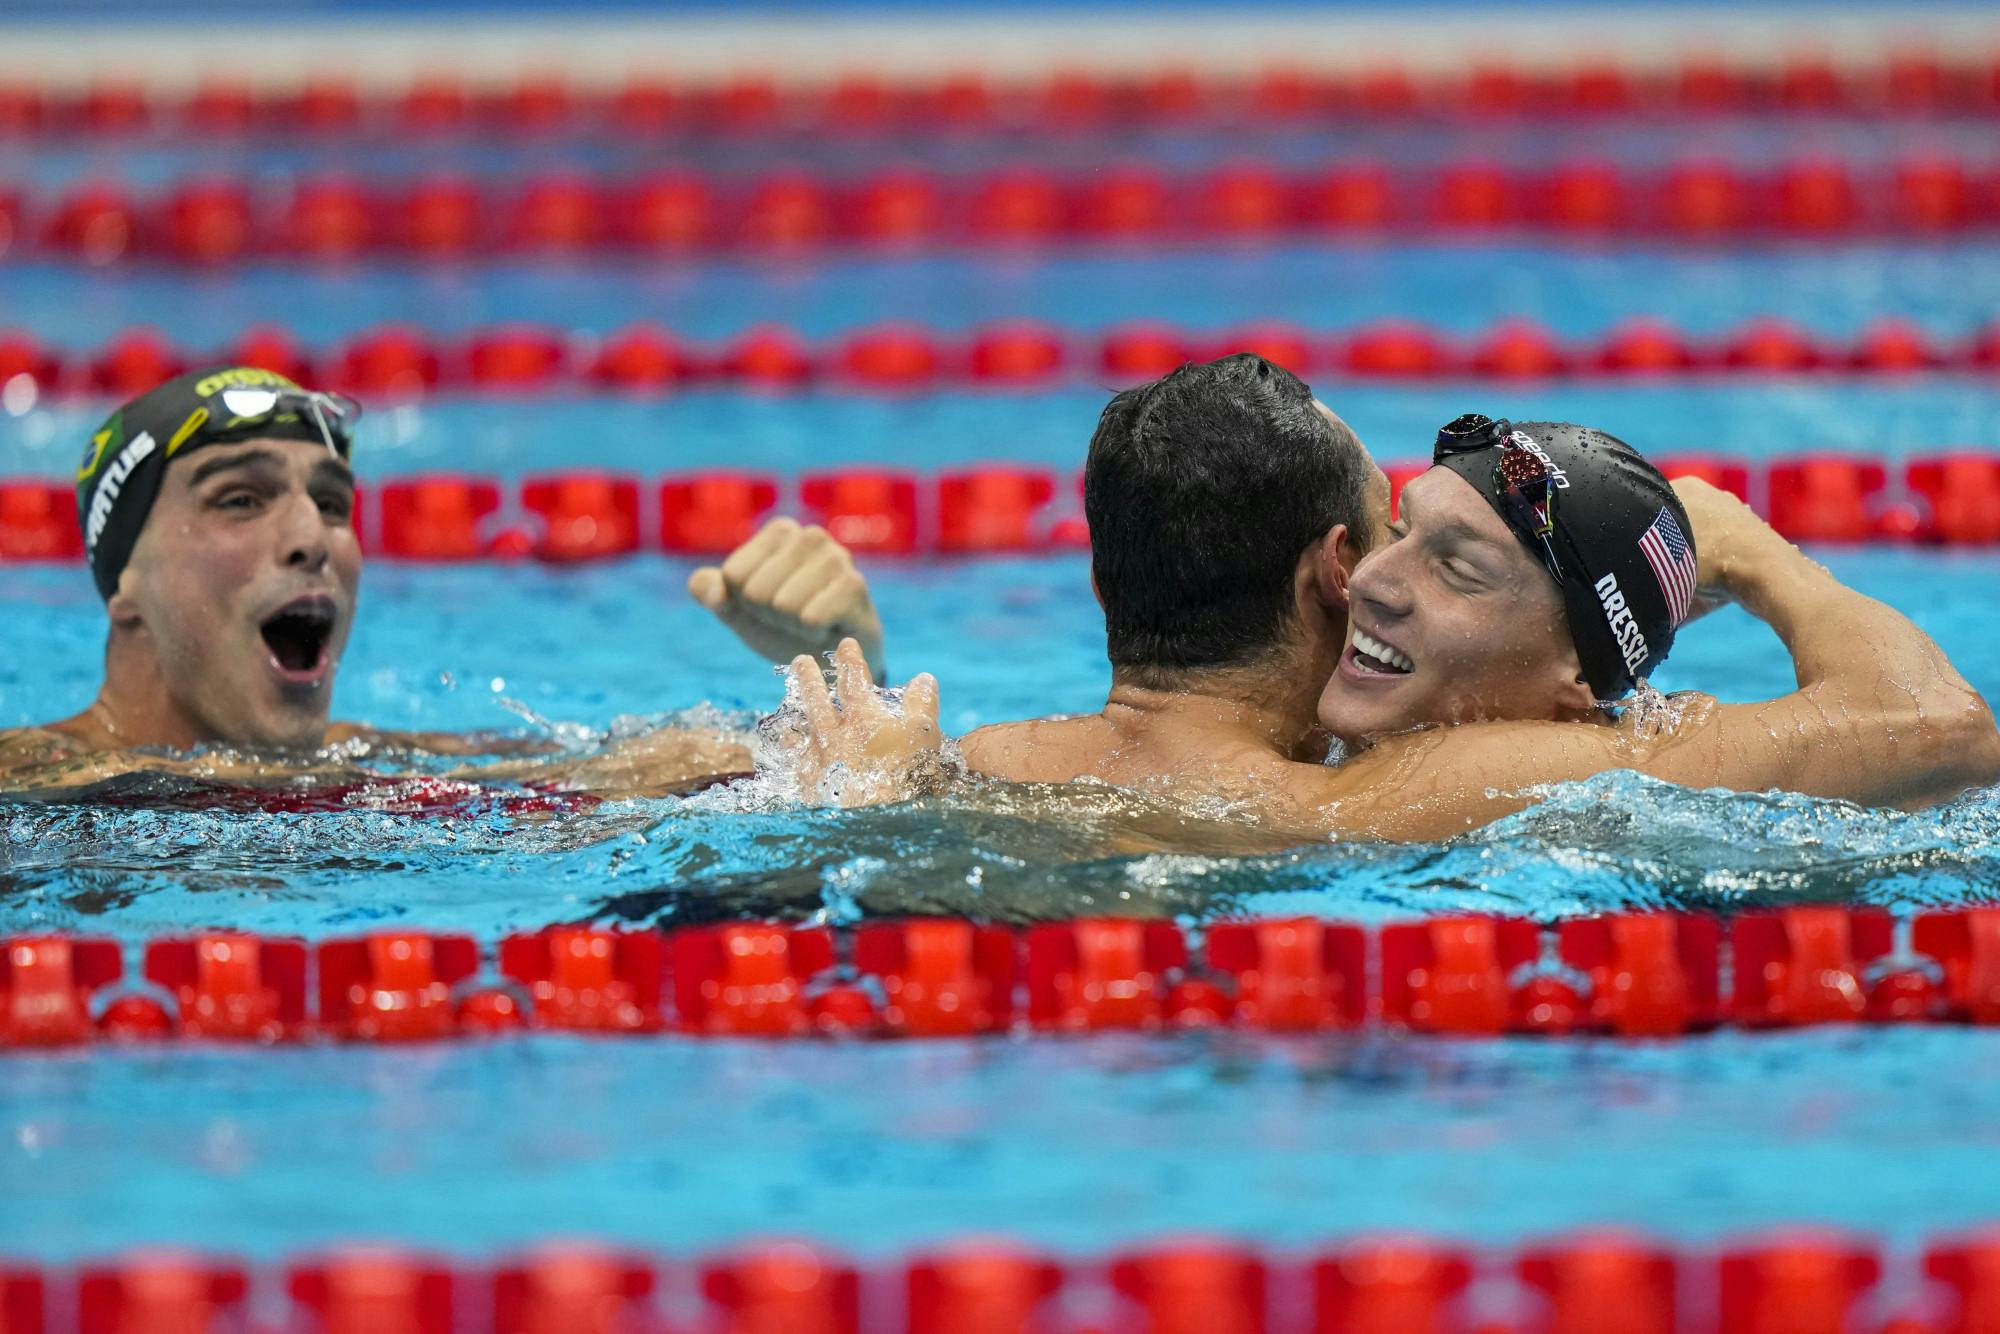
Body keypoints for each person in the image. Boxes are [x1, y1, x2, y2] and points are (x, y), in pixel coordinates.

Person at [778, 371, 2000, 840]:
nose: (1374, 579)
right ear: (1324, 568)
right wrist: (1761, 561)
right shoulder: (1424, 794)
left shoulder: (976, 760)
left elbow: (1947, 735)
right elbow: (1936, 725)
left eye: (1454, 565)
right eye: (1395, 532)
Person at [0, 367, 881, 796]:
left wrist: (844, 674)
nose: (313, 536)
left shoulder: (383, 767)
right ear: (124, 581)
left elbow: (776, 772)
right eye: (241, 499)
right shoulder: (29, 784)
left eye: (333, 502)